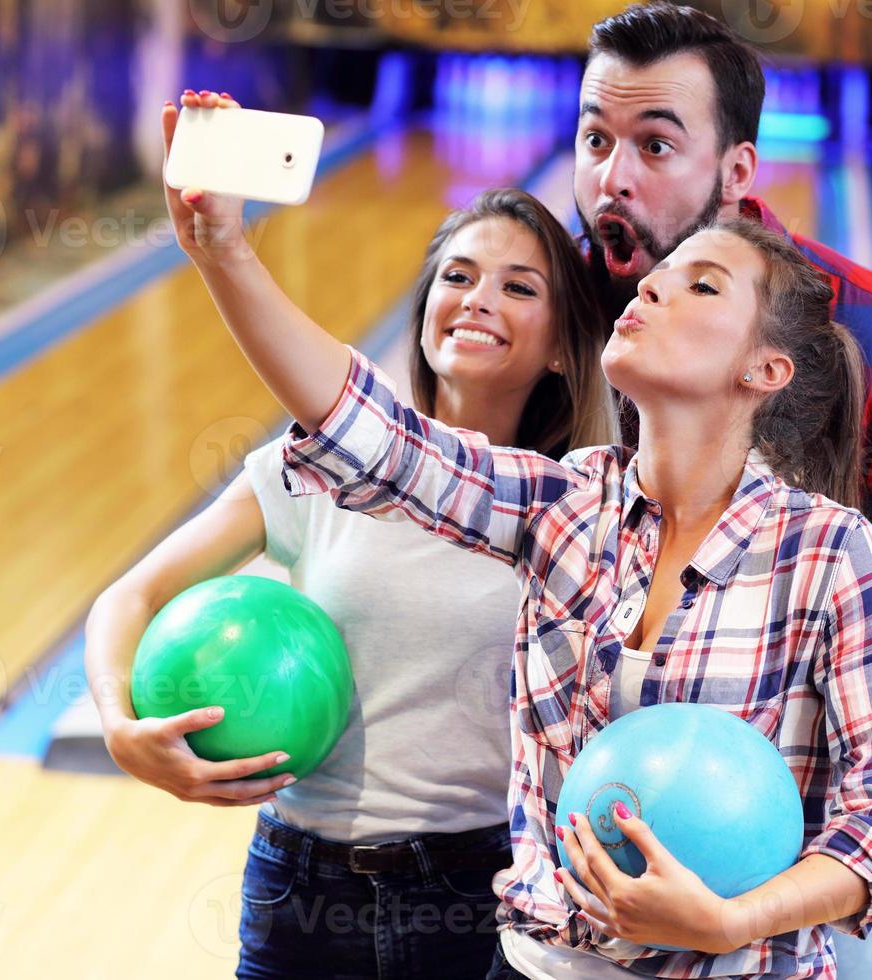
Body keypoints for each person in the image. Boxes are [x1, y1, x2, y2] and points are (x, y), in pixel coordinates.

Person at [188, 141, 872, 977]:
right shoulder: (562, 506)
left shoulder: (831, 553)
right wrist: (222, 247)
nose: (651, 286)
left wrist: (733, 920)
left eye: (701, 286)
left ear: (765, 369)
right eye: (658, 278)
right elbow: (373, 435)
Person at [82, 91, 617, 980]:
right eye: (458, 276)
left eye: (520, 287)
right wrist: (117, 725)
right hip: (298, 882)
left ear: (564, 347)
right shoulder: (325, 466)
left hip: (477, 897)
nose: (479, 300)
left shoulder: (577, 508)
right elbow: (130, 596)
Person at [574, 2, 872, 638]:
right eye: (596, 139)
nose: (612, 179)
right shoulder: (548, 295)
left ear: (735, 171)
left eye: (657, 146)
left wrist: (811, 633)